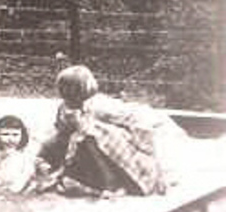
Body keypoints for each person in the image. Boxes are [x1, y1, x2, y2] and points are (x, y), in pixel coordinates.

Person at [35, 64, 188, 197]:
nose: (66, 93)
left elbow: (128, 118)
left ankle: (111, 182)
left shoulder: (99, 105)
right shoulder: (64, 108)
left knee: (90, 134)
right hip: (80, 146)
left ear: (83, 89)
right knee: (55, 142)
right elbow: (59, 129)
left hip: (110, 145)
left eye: (71, 89)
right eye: (63, 89)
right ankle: (56, 172)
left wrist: (141, 139)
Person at [0, 114, 36, 194]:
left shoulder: (25, 156)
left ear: (22, 136)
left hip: (17, 188)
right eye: (5, 134)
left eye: (15, 135)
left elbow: (28, 173)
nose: (10, 139)